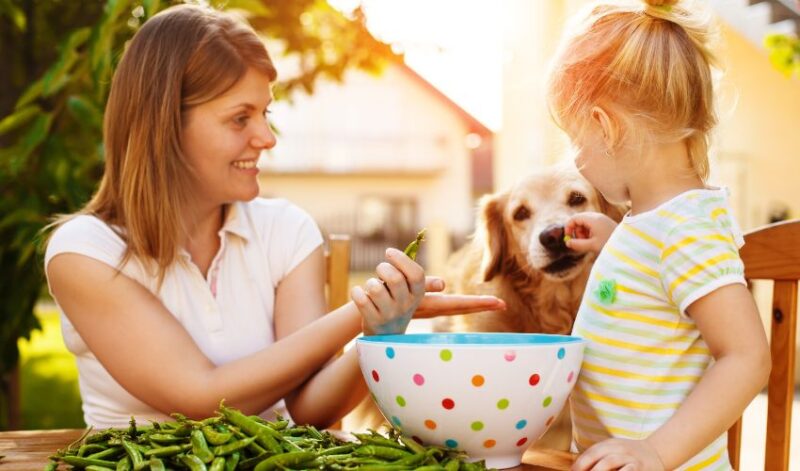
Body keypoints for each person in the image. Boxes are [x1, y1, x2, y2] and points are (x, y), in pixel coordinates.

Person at [44, 4, 504, 429]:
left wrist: (379, 335)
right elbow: (200, 397)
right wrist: (353, 314)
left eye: (265, 112)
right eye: (239, 118)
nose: (266, 137)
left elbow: (308, 409)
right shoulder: (84, 251)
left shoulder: (285, 231)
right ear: (165, 125)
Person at [545, 0, 772, 469]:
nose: (576, 159)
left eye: (575, 139)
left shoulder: (685, 230)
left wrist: (657, 451)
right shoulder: (655, 225)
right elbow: (657, 284)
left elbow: (747, 357)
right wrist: (613, 242)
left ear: (606, 128)